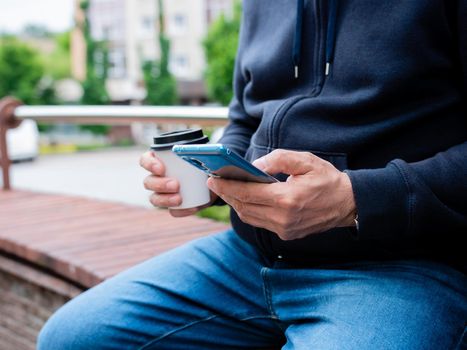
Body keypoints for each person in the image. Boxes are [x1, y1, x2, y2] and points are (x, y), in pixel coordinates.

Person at [38, 0, 467, 349]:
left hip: (400, 266)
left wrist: (356, 199)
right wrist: (212, 177)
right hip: (247, 256)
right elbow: (245, 116)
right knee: (69, 338)